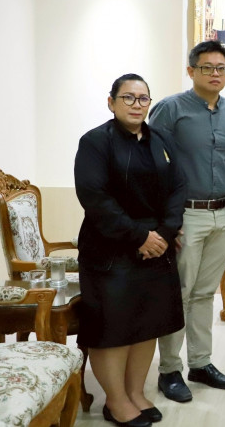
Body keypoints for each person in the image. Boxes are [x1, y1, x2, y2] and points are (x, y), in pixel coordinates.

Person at [74, 74, 186, 427]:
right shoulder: (95, 142)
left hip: (157, 247)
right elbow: (95, 197)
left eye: (143, 98)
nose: (137, 105)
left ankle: (135, 392)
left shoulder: (161, 139)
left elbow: (178, 188)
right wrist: (139, 236)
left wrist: (163, 234)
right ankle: (116, 400)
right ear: (111, 102)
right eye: (128, 97)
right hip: (110, 249)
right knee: (113, 329)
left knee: (147, 324)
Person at [151, 40, 225, 402]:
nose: (215, 74)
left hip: (224, 215)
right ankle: (169, 369)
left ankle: (201, 363)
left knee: (205, 293)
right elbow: (154, 167)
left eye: (221, 68)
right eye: (207, 67)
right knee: (179, 293)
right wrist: (167, 222)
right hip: (185, 217)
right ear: (191, 70)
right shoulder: (170, 110)